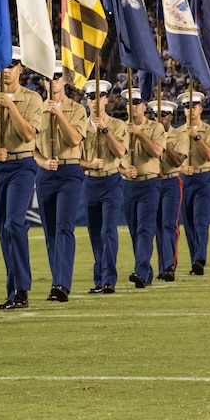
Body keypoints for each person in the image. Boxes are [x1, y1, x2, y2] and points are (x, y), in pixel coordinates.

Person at [0, 46, 43, 310]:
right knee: (3, 229)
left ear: (20, 69)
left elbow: (28, 134)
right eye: (3, 66)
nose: (7, 71)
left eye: (12, 66)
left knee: (14, 223)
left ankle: (22, 288)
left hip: (22, 165)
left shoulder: (32, 99)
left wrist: (10, 106)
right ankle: (13, 291)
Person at [33, 61, 87, 302]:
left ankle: (61, 284)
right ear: (44, 82)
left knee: (64, 227)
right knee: (50, 232)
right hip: (46, 174)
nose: (53, 82)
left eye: (57, 77)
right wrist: (43, 162)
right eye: (48, 78)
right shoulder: (36, 110)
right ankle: (57, 280)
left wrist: (58, 113)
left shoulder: (77, 110)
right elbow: (30, 145)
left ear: (64, 80)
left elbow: (75, 139)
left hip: (70, 172)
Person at [80, 78, 126, 294]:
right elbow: (73, 158)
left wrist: (106, 131)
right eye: (91, 97)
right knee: (95, 233)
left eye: (99, 97)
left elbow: (121, 152)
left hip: (111, 180)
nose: (95, 102)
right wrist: (89, 163)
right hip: (90, 181)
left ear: (106, 99)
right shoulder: (79, 127)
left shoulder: (118, 125)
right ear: (86, 101)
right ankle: (99, 279)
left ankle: (109, 279)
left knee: (108, 230)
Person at [119, 86, 165, 288]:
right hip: (129, 185)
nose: (133, 107)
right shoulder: (120, 128)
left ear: (145, 106)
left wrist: (138, 133)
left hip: (149, 183)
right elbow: (116, 157)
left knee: (145, 228)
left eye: (137, 102)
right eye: (129, 103)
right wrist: (123, 171)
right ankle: (145, 271)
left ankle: (139, 271)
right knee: (134, 231)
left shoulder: (156, 128)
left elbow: (156, 151)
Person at [174, 90, 210, 274]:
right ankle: (194, 260)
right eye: (186, 107)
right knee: (189, 223)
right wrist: (182, 169)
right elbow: (172, 160)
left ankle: (200, 258)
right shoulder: (177, 133)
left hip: (203, 178)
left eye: (193, 106)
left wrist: (197, 138)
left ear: (200, 108)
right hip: (185, 179)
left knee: (200, 220)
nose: (190, 110)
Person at [151, 98, 185, 281]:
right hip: (154, 181)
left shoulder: (179, 134)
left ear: (171, 116)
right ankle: (161, 265)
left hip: (171, 182)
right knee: (157, 226)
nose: (159, 118)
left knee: (169, 225)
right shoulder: (149, 133)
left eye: (163, 115)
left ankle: (170, 265)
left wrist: (165, 147)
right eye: (156, 114)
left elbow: (178, 160)